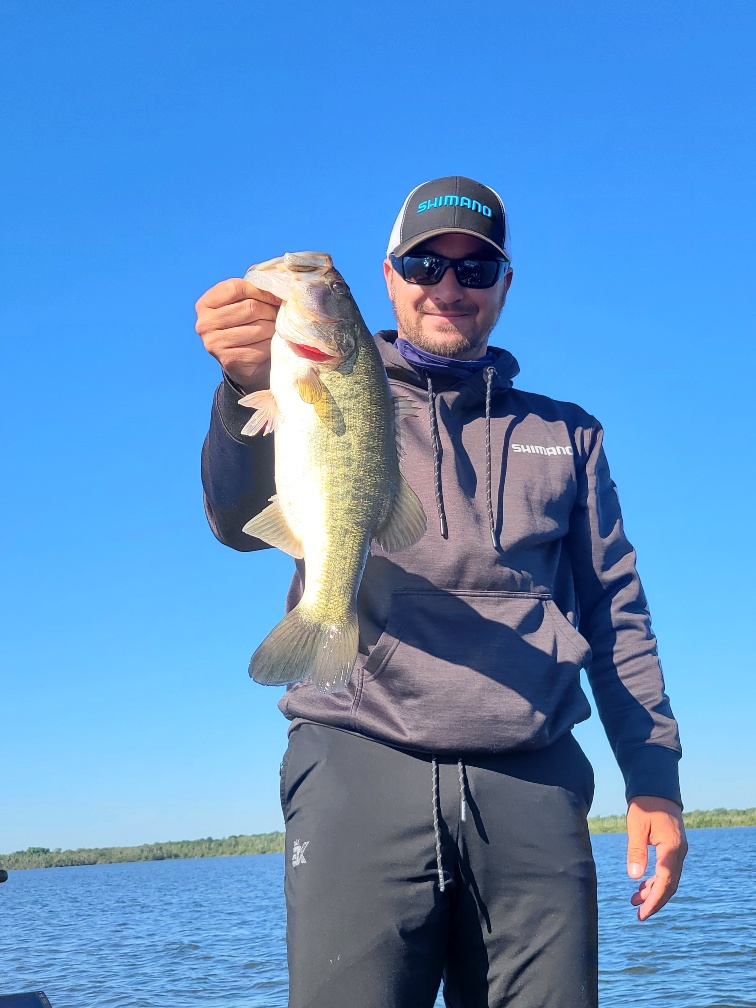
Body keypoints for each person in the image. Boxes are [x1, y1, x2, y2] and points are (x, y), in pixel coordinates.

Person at [195, 176, 687, 1008]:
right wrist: (243, 387)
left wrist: (653, 777)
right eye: (425, 265)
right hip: (356, 757)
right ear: (389, 278)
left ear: (504, 285)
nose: (449, 286)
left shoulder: (569, 435)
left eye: (475, 268)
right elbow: (237, 521)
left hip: (535, 779)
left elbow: (617, 612)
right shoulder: (325, 382)